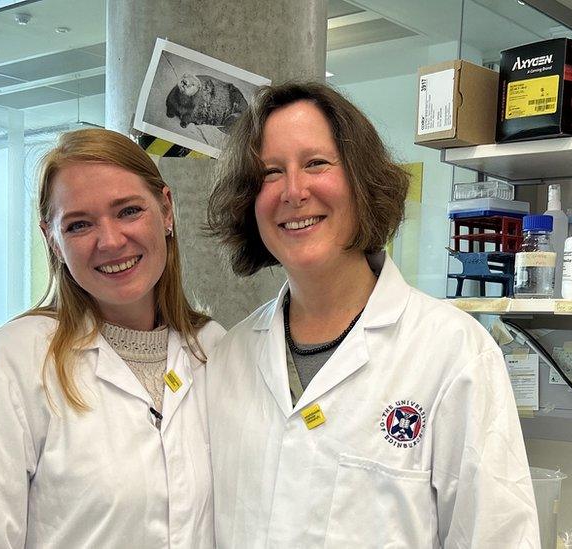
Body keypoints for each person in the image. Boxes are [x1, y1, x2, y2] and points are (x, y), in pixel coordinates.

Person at [204, 82, 539, 548]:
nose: (294, 191)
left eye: (316, 163)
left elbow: (496, 537)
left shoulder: (453, 352)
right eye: (270, 173)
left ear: (361, 181)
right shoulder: (229, 357)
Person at [0, 128, 224, 548]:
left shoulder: (213, 349)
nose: (109, 241)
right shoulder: (11, 361)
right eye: (79, 224)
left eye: (128, 211)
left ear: (165, 210)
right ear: (51, 239)